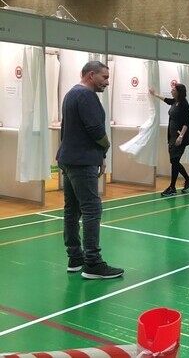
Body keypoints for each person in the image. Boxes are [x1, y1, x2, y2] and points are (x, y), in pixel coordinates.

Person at [56, 61, 124, 279]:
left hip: (69, 158)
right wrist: (106, 146)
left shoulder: (70, 94)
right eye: (104, 77)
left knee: (72, 209)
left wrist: (99, 156)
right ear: (91, 75)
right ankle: (92, 263)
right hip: (81, 161)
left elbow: (67, 130)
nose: (107, 82)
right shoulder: (86, 96)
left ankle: (75, 258)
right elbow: (95, 130)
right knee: (92, 209)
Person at [149, 84, 189, 196]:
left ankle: (172, 187)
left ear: (179, 92)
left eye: (173, 90)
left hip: (180, 137)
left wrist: (181, 137)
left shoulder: (184, 104)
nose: (171, 91)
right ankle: (188, 180)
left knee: (174, 161)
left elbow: (186, 123)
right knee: (174, 161)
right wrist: (155, 95)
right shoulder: (175, 101)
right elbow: (167, 100)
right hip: (172, 136)